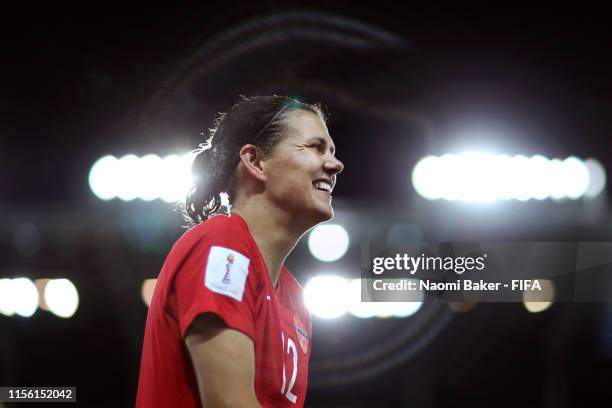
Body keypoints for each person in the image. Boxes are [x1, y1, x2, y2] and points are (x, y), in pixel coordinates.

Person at [136, 95, 344, 407]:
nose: (335, 164)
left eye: (332, 152)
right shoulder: (222, 245)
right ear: (255, 161)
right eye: (315, 147)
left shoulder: (295, 300)